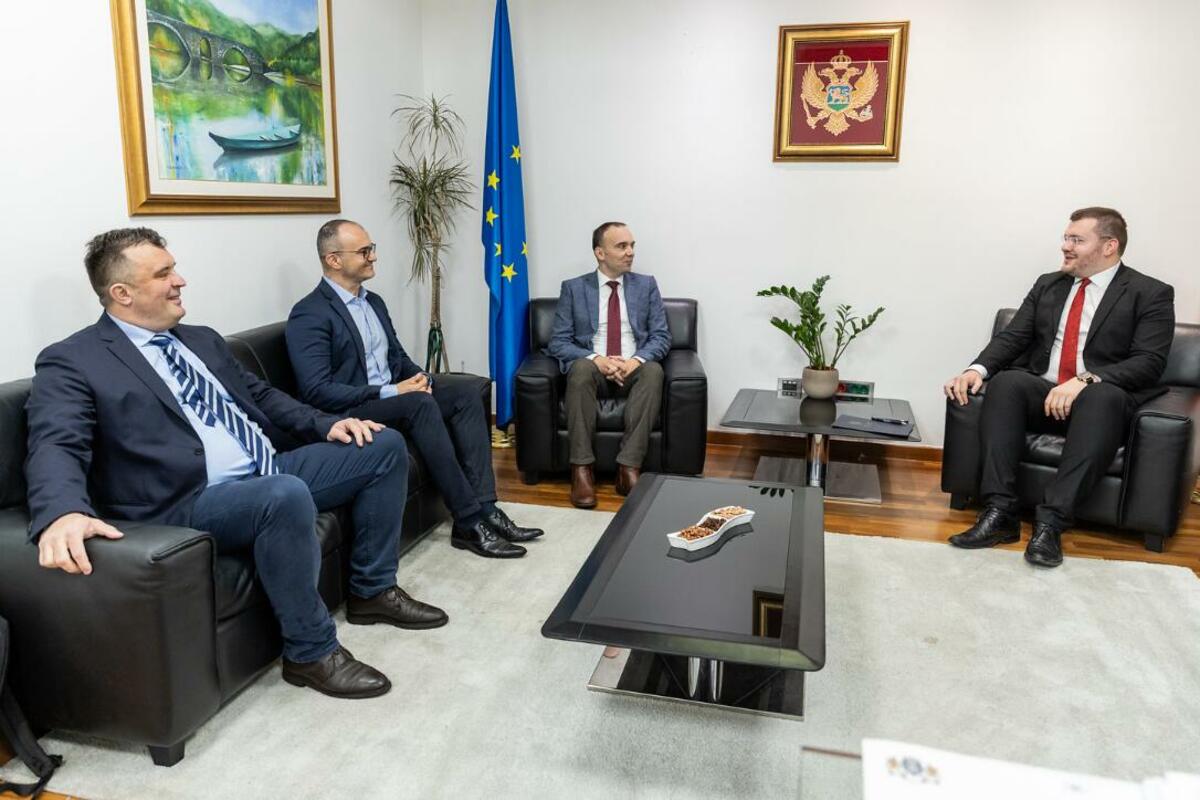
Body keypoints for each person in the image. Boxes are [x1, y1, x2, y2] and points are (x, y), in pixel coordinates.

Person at [25, 228, 448, 700]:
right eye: (164, 274)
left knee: (381, 445)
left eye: (174, 268)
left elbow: (261, 396)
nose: (180, 280)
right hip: (187, 499)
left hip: (264, 467)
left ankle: (372, 591)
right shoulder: (74, 360)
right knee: (282, 494)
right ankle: (311, 652)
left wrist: (328, 424)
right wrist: (62, 511)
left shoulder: (200, 340)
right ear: (122, 293)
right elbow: (56, 441)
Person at [286, 219, 541, 559]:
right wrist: (394, 392)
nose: (373, 257)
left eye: (372, 249)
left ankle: (486, 508)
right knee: (418, 404)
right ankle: (467, 522)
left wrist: (421, 378)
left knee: (467, 392)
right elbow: (317, 391)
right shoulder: (309, 314)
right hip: (351, 410)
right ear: (334, 260)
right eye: (364, 251)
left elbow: (397, 357)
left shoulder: (373, 302)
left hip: (392, 396)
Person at [943, 207, 1175, 567]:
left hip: (1101, 404)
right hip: (1046, 393)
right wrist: (977, 369)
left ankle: (1051, 523)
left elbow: (1149, 362)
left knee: (1101, 396)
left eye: (1077, 240)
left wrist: (1084, 380)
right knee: (1007, 382)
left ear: (1109, 246)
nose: (1066, 246)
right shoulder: (1048, 284)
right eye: (1066, 238)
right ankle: (1000, 512)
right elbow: (1014, 337)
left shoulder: (1150, 293)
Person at [547, 222, 671, 508]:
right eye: (621, 246)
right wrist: (597, 360)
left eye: (632, 245)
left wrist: (635, 360)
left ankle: (628, 468)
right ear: (600, 253)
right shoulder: (574, 288)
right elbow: (558, 342)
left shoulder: (646, 285)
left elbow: (661, 336)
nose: (630, 252)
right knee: (580, 368)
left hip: (633, 369)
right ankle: (581, 470)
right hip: (594, 370)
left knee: (654, 370)